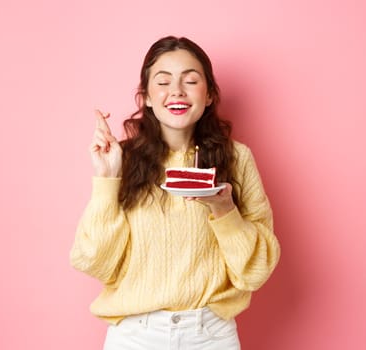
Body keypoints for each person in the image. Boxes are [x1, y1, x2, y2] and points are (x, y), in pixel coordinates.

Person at [70, 35, 281, 350]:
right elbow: (94, 261)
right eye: (163, 82)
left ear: (208, 95)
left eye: (191, 80)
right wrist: (107, 178)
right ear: (148, 98)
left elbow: (255, 272)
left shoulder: (237, 159)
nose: (177, 91)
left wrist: (225, 211)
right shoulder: (121, 160)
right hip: (135, 336)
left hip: (211, 335)